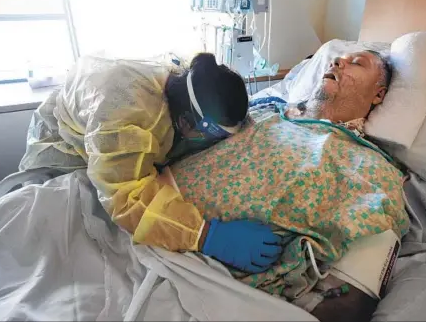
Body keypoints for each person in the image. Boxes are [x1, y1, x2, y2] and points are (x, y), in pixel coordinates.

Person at [169, 50, 408, 321]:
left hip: (200, 288)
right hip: (141, 220)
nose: (337, 61)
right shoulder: (258, 110)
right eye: (338, 58)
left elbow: (348, 299)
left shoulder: (373, 171)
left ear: (378, 94)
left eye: (356, 63)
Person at [19, 52, 282, 274]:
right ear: (186, 123)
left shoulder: (188, 84)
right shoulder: (125, 119)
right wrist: (204, 235)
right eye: (217, 137)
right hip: (61, 143)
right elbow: (127, 199)